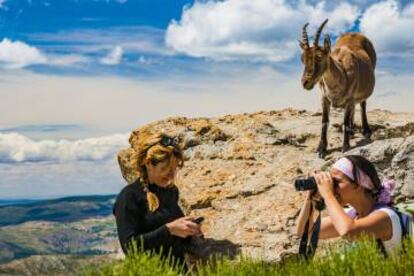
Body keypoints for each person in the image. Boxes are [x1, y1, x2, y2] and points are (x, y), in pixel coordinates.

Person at [113, 131, 202, 268]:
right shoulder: (129, 197)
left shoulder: (171, 192)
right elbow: (130, 248)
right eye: (165, 168)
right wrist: (169, 230)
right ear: (148, 163)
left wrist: (189, 231)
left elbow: (173, 240)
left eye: (174, 168)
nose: (171, 175)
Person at [296, 155, 402, 256]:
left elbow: (349, 231)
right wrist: (311, 198)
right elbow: (305, 231)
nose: (332, 187)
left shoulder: (385, 217)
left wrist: (327, 193)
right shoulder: (352, 216)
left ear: (358, 185)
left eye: (336, 182)